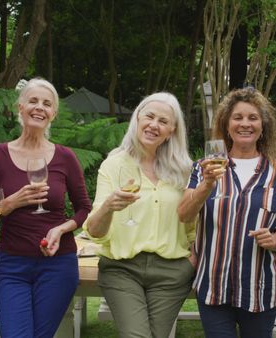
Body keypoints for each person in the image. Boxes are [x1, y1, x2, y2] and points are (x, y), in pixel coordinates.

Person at [177, 87, 276, 338]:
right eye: (238, 117)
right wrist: (206, 185)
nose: (245, 124)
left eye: (252, 118)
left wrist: (275, 240)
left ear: (263, 126)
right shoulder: (205, 167)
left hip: (260, 289)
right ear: (227, 124)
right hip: (213, 288)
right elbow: (184, 214)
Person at [0, 78, 92, 337]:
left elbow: (84, 208)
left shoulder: (65, 157)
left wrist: (61, 230)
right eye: (33, 101)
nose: (39, 107)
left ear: (53, 113)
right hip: (12, 265)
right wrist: (12, 202)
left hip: (58, 265)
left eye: (46, 103)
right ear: (20, 107)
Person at [83, 92, 195, 338]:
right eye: (149, 116)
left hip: (171, 271)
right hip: (122, 269)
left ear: (172, 130)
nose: (154, 125)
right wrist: (108, 207)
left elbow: (195, 224)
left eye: (163, 121)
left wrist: (192, 260)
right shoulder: (114, 165)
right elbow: (95, 232)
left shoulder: (185, 170)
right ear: (137, 119)